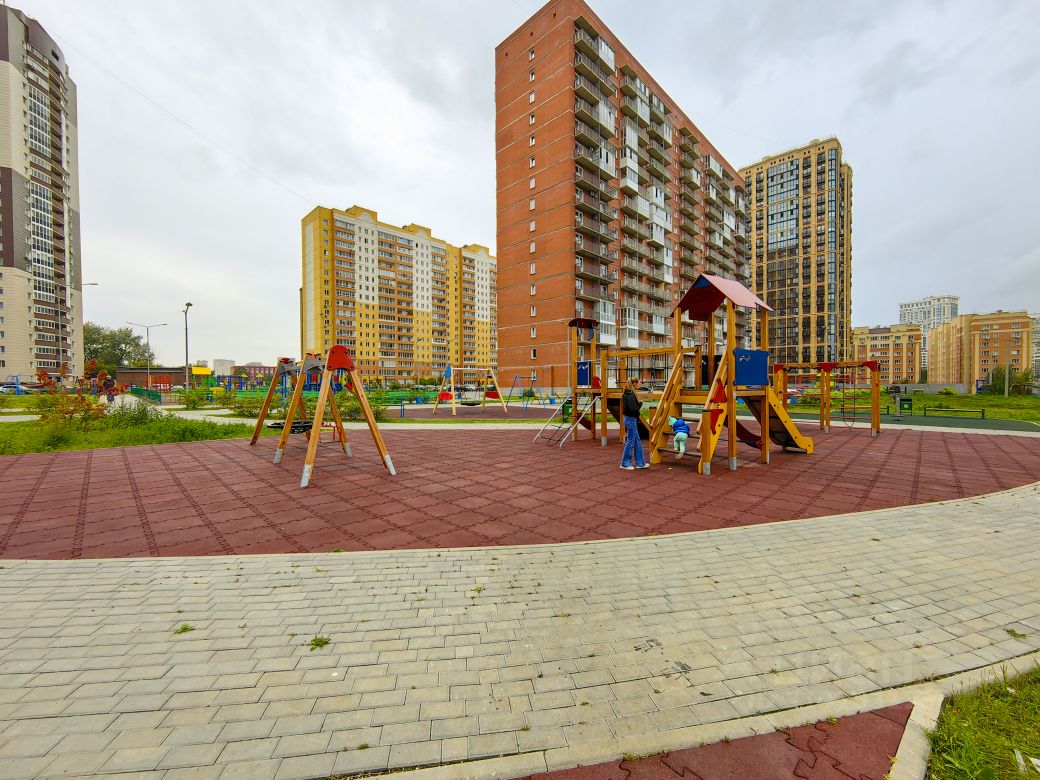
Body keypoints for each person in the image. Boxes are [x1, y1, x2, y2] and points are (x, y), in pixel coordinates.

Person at [620, 377, 649, 470]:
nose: (640, 385)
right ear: (634, 384)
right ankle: (625, 463)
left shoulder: (626, 393)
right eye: (639, 383)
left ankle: (640, 463)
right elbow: (634, 409)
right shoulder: (630, 395)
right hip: (630, 419)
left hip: (629, 419)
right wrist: (640, 403)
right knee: (631, 441)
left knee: (637, 441)